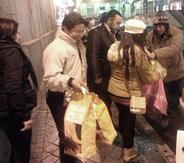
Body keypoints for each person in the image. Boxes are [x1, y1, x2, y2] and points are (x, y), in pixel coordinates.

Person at [107, 19, 166, 162]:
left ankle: (124, 142)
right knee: (130, 121)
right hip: (129, 94)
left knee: (122, 116)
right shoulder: (137, 51)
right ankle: (128, 151)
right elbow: (147, 78)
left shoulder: (115, 46)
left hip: (114, 91)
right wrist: (160, 72)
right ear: (139, 35)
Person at [42, 12, 88, 163]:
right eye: (78, 31)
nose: (81, 34)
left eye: (83, 30)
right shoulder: (56, 49)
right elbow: (49, 79)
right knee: (67, 137)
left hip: (74, 97)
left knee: (75, 133)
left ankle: (75, 157)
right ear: (65, 29)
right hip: (61, 99)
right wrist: (70, 81)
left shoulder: (76, 44)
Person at [0, 18, 38, 163]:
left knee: (13, 149)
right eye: (18, 32)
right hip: (14, 114)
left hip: (4, 111)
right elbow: (14, 87)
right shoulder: (10, 52)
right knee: (21, 153)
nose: (20, 36)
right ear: (10, 34)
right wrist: (24, 118)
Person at [146, 10, 184, 125]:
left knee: (181, 98)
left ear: (166, 25)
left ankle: (179, 118)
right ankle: (173, 124)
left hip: (177, 72)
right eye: (156, 26)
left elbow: (174, 48)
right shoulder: (150, 35)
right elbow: (146, 47)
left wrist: (155, 54)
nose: (159, 29)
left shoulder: (176, 32)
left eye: (161, 26)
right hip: (163, 75)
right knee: (170, 100)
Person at [86, 9, 122, 112]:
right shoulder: (96, 32)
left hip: (108, 75)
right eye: (118, 23)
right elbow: (92, 56)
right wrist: (97, 77)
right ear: (110, 20)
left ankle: (107, 125)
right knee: (101, 105)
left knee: (106, 103)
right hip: (100, 77)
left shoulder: (114, 33)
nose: (119, 26)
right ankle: (102, 127)